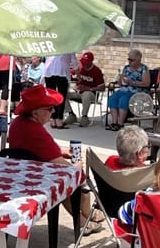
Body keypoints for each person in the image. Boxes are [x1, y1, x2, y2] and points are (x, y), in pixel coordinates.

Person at [7, 84, 98, 230]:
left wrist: (59, 150)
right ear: (35, 113)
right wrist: (76, 168)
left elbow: (35, 148)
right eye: (49, 109)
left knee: (67, 181)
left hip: (22, 174)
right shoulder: (36, 131)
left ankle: (85, 219)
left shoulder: (19, 122)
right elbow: (61, 165)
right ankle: (85, 220)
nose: (53, 111)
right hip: (36, 181)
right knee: (78, 181)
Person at [106, 49, 151, 131]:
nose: (129, 61)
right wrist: (121, 78)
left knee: (124, 99)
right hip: (124, 89)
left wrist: (132, 82)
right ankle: (114, 122)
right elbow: (120, 84)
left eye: (132, 60)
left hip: (137, 91)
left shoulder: (144, 69)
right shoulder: (126, 68)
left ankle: (120, 124)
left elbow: (146, 83)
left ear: (138, 60)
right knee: (113, 98)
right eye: (128, 59)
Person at [66, 51, 106, 127]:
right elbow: (72, 76)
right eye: (83, 62)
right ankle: (71, 114)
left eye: (86, 62)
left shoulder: (96, 71)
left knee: (86, 94)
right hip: (78, 93)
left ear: (91, 62)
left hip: (91, 94)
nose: (84, 64)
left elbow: (102, 87)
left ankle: (84, 117)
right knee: (63, 94)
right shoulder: (80, 68)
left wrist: (88, 88)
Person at [43, 53, 77, 129]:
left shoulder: (52, 47)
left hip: (49, 71)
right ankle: (59, 120)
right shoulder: (69, 47)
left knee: (52, 97)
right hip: (62, 72)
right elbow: (74, 62)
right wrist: (77, 72)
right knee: (61, 97)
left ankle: (53, 119)